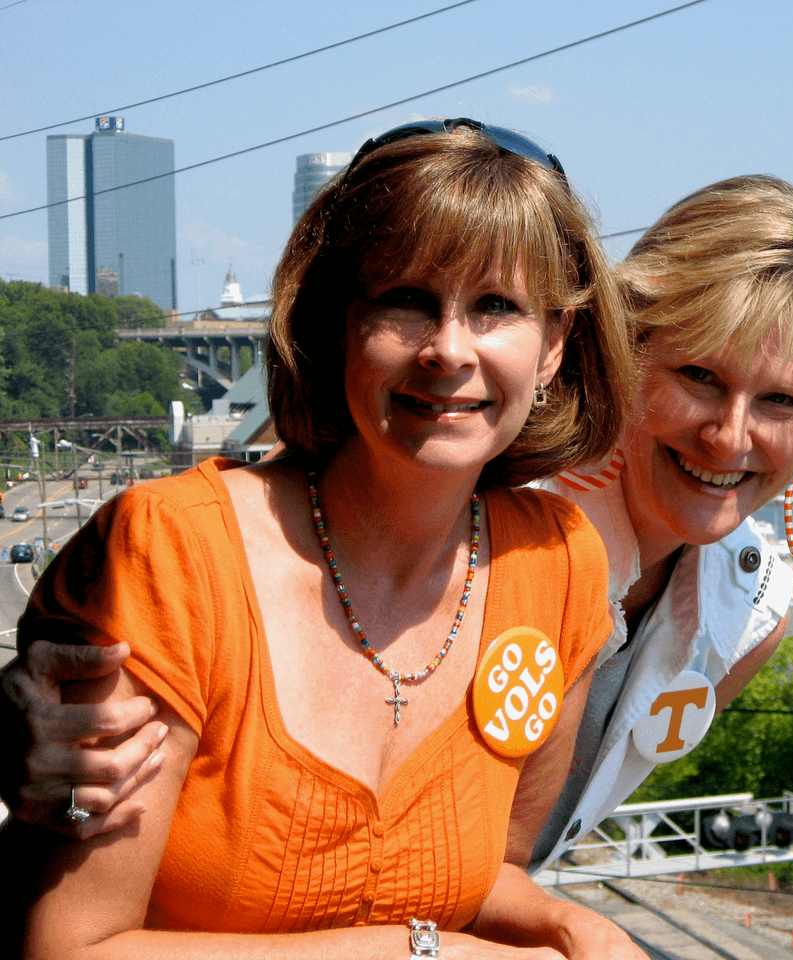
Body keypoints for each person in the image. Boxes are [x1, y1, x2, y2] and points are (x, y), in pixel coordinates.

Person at [3, 176, 793, 884]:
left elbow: (507, 852)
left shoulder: (745, 610)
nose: (730, 436)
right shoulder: (474, 502)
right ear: (617, 351)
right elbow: (231, 555)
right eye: (698, 376)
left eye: (780, 401)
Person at [5, 118, 646, 960]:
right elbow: (72, 947)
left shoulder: (558, 568)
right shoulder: (173, 555)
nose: (449, 350)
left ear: (555, 344)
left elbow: (485, 875)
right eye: (406, 301)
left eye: (497, 307)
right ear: (337, 323)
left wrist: (573, 923)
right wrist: (418, 954)